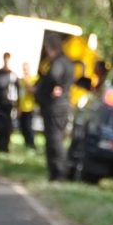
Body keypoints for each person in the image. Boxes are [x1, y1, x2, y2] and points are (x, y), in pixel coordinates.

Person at [40, 45, 78, 181]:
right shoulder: (68, 62)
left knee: (54, 139)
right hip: (63, 105)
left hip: (55, 106)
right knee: (57, 138)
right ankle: (58, 172)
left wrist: (55, 86)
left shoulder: (59, 62)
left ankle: (59, 172)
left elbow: (54, 75)